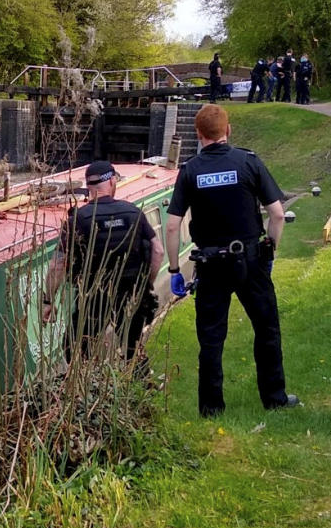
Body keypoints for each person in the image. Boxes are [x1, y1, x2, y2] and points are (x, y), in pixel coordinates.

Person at [163, 105, 299, 417]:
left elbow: (172, 225)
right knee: (266, 329)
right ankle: (275, 398)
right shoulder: (248, 162)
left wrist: (174, 270)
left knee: (211, 338)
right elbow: (277, 214)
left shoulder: (190, 171)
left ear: (198, 134)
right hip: (251, 260)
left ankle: (211, 408)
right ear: (229, 130)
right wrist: (270, 251)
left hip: (211, 266)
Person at [42, 160, 164, 365]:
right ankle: (139, 386)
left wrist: (48, 300)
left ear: (88, 187)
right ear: (113, 181)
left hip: (94, 297)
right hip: (130, 294)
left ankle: (82, 389)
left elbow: (58, 265)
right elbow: (158, 252)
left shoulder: (79, 219)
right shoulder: (134, 213)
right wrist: (146, 286)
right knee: (132, 349)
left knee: (76, 349)